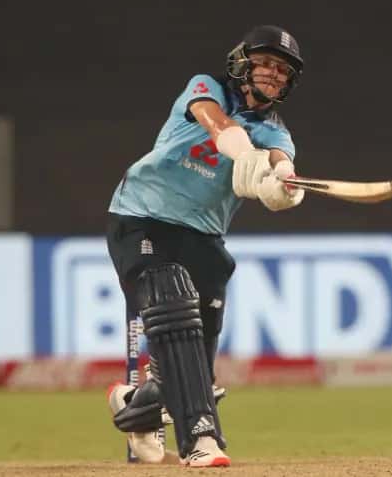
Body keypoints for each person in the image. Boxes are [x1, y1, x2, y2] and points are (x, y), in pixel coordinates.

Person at [105, 25, 305, 467]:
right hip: (143, 218)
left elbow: (281, 159)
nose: (273, 73)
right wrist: (246, 155)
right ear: (242, 62)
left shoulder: (275, 131)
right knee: (174, 309)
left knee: (192, 357)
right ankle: (201, 437)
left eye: (283, 70)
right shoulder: (206, 88)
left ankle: (135, 405)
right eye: (265, 62)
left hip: (204, 237)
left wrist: (284, 183)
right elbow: (218, 125)